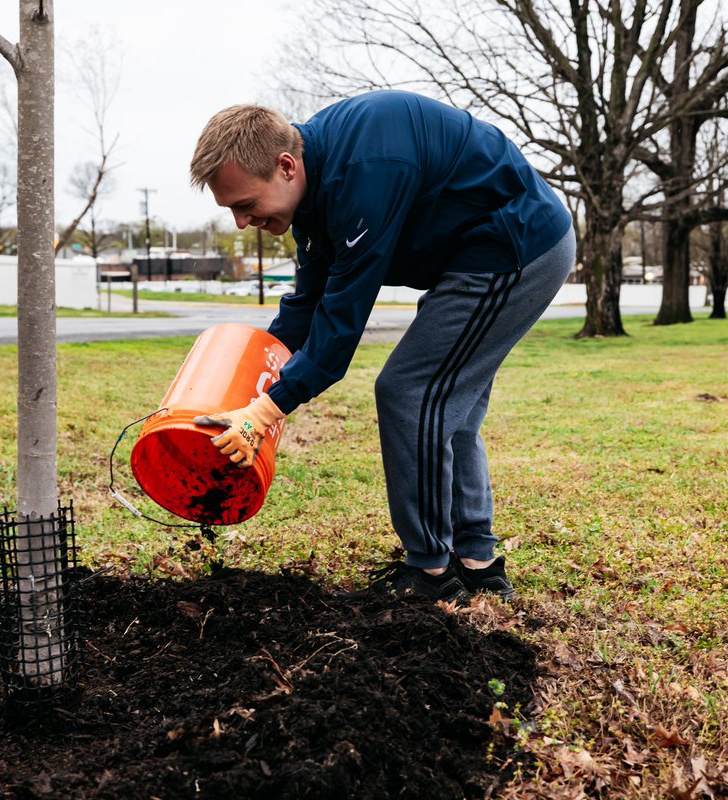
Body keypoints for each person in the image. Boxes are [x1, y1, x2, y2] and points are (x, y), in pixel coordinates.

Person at [189, 90, 573, 603]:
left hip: (516, 246)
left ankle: (432, 573)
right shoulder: (312, 182)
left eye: (245, 205)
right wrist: (246, 383)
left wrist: (266, 410)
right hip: (474, 257)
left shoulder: (364, 173)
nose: (241, 222)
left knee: (409, 391)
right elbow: (308, 302)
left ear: (285, 166)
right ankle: (476, 561)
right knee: (448, 406)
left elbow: (339, 324)